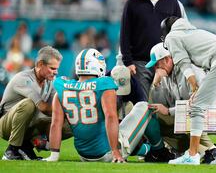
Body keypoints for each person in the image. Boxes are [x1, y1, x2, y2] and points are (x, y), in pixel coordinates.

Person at [44, 49, 174, 163]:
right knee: (145, 106)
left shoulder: (63, 87)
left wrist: (54, 155)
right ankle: (159, 151)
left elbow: (55, 124)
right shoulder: (104, 84)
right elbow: (111, 117)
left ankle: (148, 151)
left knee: (122, 130)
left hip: (83, 154)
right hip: (107, 152)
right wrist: (115, 152)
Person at [158, 17, 216, 165]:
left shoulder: (173, 36)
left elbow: (182, 63)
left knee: (197, 106)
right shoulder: (196, 32)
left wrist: (194, 87)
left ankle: (192, 155)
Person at [145, 43, 216, 163]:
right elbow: (160, 106)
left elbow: (199, 103)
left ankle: (211, 148)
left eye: (157, 64)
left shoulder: (190, 71)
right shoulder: (166, 76)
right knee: (154, 118)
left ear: (168, 59)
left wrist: (169, 111)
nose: (156, 68)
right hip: (186, 116)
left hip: (209, 112)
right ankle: (205, 151)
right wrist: (156, 84)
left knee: (190, 115)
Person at [118, 0, 183, 100]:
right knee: (143, 102)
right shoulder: (132, 3)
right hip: (139, 63)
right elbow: (125, 34)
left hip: (164, 61)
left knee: (164, 100)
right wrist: (128, 61)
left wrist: (176, 58)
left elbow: (179, 33)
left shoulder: (172, 3)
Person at [0, 46, 62, 160]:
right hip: (6, 125)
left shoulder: (49, 82)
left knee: (65, 118)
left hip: (29, 125)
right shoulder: (24, 79)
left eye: (57, 68)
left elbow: (54, 106)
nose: (56, 72)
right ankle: (11, 150)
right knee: (29, 104)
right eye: (52, 68)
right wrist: (63, 108)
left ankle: (26, 148)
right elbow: (43, 107)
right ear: (39, 64)